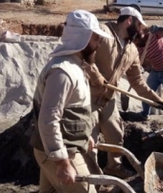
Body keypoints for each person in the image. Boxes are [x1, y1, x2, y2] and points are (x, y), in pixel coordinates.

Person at [29, 10, 114, 193]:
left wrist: (83, 138)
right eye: (96, 39)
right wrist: (62, 162)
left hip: (55, 150)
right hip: (58, 153)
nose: (99, 45)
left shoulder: (75, 67)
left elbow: (72, 111)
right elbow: (48, 119)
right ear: (82, 37)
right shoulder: (62, 72)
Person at [83, 6, 163, 178]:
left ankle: (114, 168)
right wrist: (94, 74)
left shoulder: (132, 50)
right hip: (87, 97)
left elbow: (137, 81)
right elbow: (82, 56)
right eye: (140, 26)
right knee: (90, 141)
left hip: (108, 99)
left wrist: (155, 99)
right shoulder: (102, 33)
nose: (141, 31)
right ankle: (92, 179)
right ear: (129, 21)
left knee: (116, 135)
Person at [133, 24, 163, 124]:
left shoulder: (153, 35)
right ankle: (144, 114)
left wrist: (160, 28)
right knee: (146, 92)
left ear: (140, 37)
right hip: (156, 71)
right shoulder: (138, 48)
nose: (135, 43)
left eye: (136, 41)